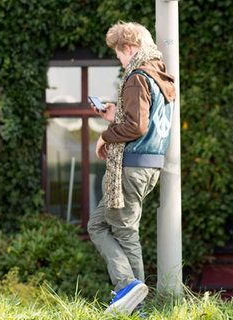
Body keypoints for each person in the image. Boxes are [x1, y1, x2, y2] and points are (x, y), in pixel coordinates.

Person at [87, 21, 175, 315]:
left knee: (125, 232)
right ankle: (131, 293)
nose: (120, 61)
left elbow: (137, 126)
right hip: (148, 166)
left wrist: (104, 135)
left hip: (131, 166)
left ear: (129, 48)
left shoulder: (138, 76)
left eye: (119, 55)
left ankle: (135, 301)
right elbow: (143, 124)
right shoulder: (162, 77)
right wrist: (115, 119)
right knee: (98, 225)